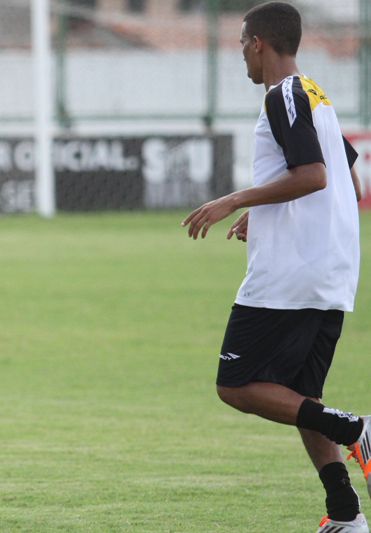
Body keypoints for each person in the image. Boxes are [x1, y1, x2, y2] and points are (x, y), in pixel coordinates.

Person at [182, 3, 368, 532]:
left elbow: (311, 176)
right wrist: (266, 214)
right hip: (331, 273)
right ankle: (345, 514)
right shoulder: (316, 94)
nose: (240, 52)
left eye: (242, 43)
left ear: (258, 43)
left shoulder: (281, 95)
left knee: (236, 384)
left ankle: (358, 430)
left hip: (290, 275)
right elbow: (348, 183)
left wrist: (236, 201)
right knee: (300, 398)